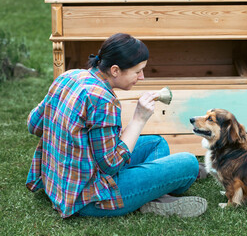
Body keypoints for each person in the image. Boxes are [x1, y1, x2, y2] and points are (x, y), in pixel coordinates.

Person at [26, 33, 207, 218]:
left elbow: (33, 125)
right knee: (189, 163)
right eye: (137, 71)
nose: (142, 77)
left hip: (60, 183)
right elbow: (110, 166)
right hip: (89, 198)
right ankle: (152, 195)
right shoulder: (102, 100)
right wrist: (139, 118)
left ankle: (152, 196)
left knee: (156, 143)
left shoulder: (70, 76)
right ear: (115, 70)